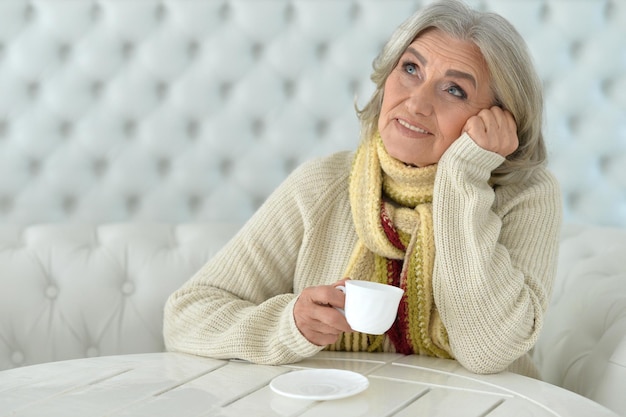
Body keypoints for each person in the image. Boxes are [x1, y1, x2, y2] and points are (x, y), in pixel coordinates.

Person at [163, 0, 562, 378]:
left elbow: (488, 350)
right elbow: (186, 316)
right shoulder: (322, 186)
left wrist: (463, 178)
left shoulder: (527, 196)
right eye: (410, 69)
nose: (416, 102)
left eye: (454, 90)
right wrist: (289, 324)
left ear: (500, 119)